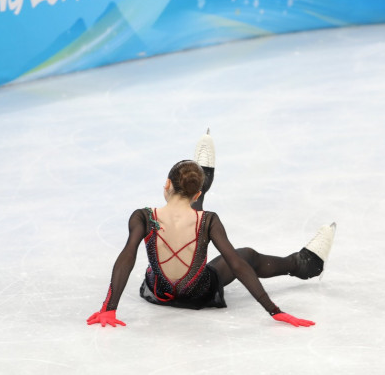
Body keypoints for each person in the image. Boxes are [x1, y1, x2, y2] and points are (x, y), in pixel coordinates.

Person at [86, 130, 336, 328]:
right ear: (197, 194)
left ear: (166, 184)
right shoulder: (209, 220)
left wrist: (109, 307)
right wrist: (275, 311)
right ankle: (305, 264)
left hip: (158, 290)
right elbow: (237, 264)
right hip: (198, 293)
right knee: (246, 253)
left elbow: (127, 256)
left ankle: (202, 173)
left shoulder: (142, 216)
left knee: (178, 237)